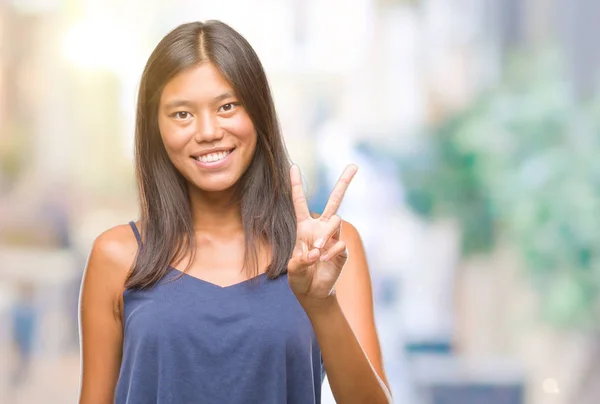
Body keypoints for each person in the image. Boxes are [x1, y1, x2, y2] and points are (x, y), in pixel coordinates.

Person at [78, 20, 391, 404]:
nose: (208, 131)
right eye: (182, 114)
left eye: (227, 106)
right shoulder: (117, 255)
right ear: (154, 127)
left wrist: (321, 305)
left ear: (257, 112)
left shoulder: (329, 250)